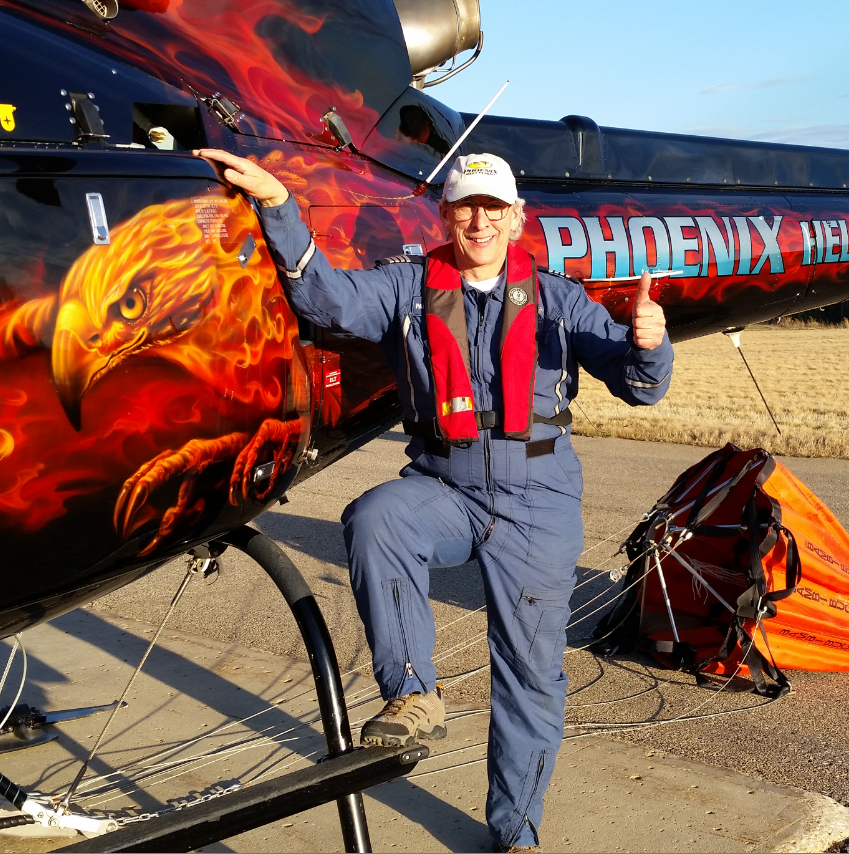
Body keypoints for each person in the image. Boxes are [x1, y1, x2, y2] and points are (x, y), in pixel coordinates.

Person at [197, 148, 673, 852]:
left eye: (492, 207)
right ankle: (415, 692)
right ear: (446, 215)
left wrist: (650, 343)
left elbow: (640, 386)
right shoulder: (407, 289)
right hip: (444, 484)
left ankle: (515, 832)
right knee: (376, 516)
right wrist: (277, 206)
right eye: (464, 207)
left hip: (537, 500)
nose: (478, 220)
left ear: (516, 217)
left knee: (529, 675)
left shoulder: (560, 298)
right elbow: (324, 299)